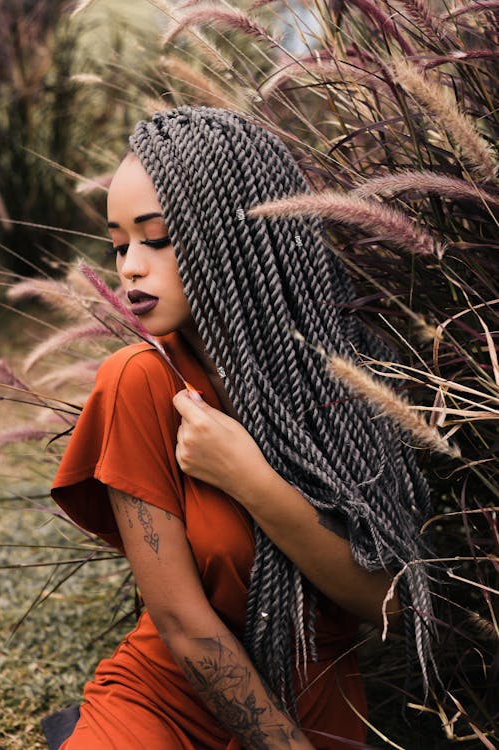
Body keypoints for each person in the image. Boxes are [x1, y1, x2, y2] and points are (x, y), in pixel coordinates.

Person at [51, 106, 433, 749]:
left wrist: (250, 478)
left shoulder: (353, 376)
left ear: (233, 234)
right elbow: (180, 621)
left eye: (158, 238)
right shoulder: (139, 380)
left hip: (319, 695)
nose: (129, 267)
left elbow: (391, 603)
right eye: (119, 245)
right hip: (171, 699)